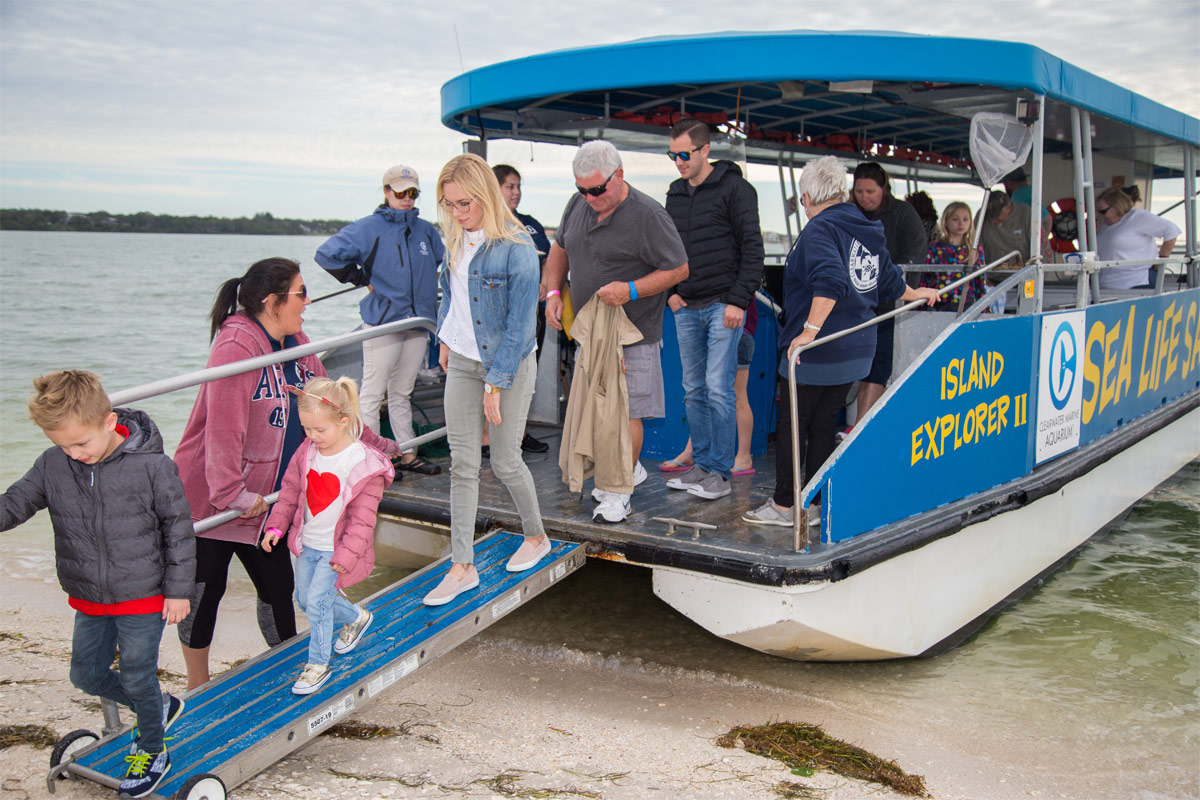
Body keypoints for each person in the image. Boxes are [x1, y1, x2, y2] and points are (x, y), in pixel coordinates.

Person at [174, 257, 400, 690]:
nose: (307, 301)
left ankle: (289, 672)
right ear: (271, 301)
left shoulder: (297, 343)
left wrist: (381, 447)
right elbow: (220, 430)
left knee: (280, 593)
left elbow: (332, 407)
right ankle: (196, 687)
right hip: (216, 500)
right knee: (206, 595)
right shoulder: (235, 346)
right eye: (300, 293)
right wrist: (232, 495)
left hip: (271, 503)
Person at [2, 370, 195, 799]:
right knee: (85, 674)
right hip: (89, 595)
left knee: (137, 674)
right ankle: (160, 708)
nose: (73, 453)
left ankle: (151, 749)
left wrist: (179, 590)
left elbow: (178, 530)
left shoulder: (152, 467)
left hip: (144, 594)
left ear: (108, 422)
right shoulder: (54, 464)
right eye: (63, 445)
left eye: (81, 443)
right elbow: (15, 504)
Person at [743, 157, 937, 527]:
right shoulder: (865, 227)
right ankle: (813, 503)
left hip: (818, 353)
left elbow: (831, 281)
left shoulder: (819, 231)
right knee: (821, 425)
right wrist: (914, 292)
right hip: (856, 350)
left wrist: (808, 332)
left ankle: (785, 505)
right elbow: (887, 277)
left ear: (807, 197)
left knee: (793, 426)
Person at [423, 153, 550, 606]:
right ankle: (462, 566)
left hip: (509, 363)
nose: (457, 213)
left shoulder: (518, 246)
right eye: (449, 204)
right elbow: (450, 290)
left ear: (487, 196)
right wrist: (444, 334)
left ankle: (536, 537)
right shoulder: (455, 236)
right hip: (461, 360)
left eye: (465, 204)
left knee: (505, 460)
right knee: (463, 463)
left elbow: (521, 327)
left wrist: (496, 383)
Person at [543, 140, 689, 523]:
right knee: (597, 411)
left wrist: (632, 290)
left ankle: (617, 491)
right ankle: (624, 471)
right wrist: (554, 291)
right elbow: (560, 248)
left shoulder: (648, 216)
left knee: (627, 412)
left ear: (618, 175)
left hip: (635, 333)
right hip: (591, 334)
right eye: (581, 190)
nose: (588, 198)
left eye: (596, 189)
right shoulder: (578, 204)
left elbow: (678, 269)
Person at [261, 378, 393, 695]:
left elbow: (363, 521)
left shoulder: (362, 465)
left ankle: (318, 664)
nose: (312, 437)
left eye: (320, 430)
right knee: (304, 598)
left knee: (318, 604)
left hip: (337, 551)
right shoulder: (307, 453)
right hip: (308, 545)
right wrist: (276, 526)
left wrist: (347, 556)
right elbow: (290, 493)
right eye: (307, 429)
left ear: (343, 421)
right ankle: (357, 617)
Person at [316, 164, 445, 476]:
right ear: (387, 192)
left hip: (418, 322)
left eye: (413, 192)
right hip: (385, 321)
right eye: (400, 191)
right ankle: (374, 458)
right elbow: (326, 254)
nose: (407, 198)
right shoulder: (368, 228)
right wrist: (361, 278)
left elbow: (440, 259)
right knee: (373, 392)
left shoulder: (426, 230)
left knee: (402, 391)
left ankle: (407, 452)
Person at [661, 118, 764, 501]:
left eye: (684, 154)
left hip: (724, 305)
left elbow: (754, 249)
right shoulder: (674, 194)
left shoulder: (737, 190)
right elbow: (665, 250)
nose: (678, 162)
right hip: (686, 306)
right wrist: (669, 292)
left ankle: (720, 473)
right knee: (693, 390)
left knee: (720, 390)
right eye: (672, 155)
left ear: (705, 150)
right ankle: (701, 467)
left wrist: (738, 301)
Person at [851, 162, 928, 424]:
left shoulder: (903, 214)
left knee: (878, 363)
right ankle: (857, 424)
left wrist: (902, 291)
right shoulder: (850, 212)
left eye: (870, 191)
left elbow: (913, 257)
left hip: (888, 303)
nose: (864, 197)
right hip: (854, 303)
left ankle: (860, 426)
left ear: (884, 188)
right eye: (859, 191)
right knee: (860, 363)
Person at [660, 299, 760, 476]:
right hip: (713, 331)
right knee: (701, 395)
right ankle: (692, 451)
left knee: (736, 396)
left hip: (737, 332)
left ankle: (744, 456)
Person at [490, 163, 551, 455]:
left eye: (518, 186)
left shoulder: (531, 225)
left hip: (529, 317)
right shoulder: (486, 224)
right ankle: (487, 437)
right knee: (493, 374)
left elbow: (551, 261)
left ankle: (518, 432)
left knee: (525, 375)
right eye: (509, 186)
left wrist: (547, 286)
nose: (516, 192)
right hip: (497, 317)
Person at [1095, 185, 1181, 289]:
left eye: (1103, 212)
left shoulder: (1137, 217)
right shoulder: (1105, 224)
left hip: (1137, 283)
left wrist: (1161, 261)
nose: (1100, 215)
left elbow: (1171, 230)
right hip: (1107, 285)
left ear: (1117, 207)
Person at [915, 202, 989, 310]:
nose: (961, 223)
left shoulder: (974, 251)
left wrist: (984, 308)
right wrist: (920, 305)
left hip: (966, 304)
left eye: (965, 219)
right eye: (955, 219)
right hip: (939, 304)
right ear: (946, 221)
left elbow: (980, 282)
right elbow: (925, 278)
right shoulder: (935, 248)